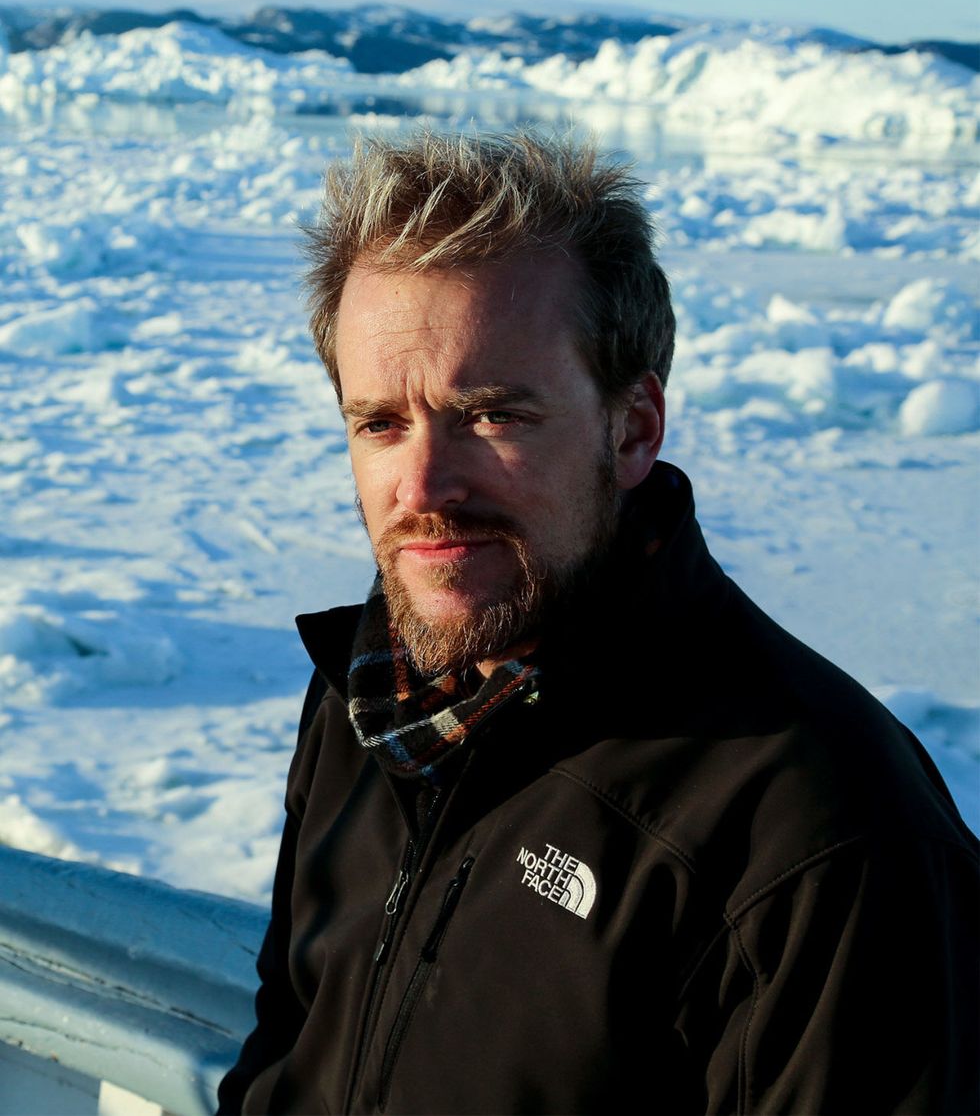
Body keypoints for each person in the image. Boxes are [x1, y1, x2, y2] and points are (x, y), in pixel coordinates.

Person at [217, 132, 978, 1115]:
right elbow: (288, 1047)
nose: (422, 486)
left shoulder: (815, 828)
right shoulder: (369, 699)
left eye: (489, 414)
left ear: (632, 427)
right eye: (379, 423)